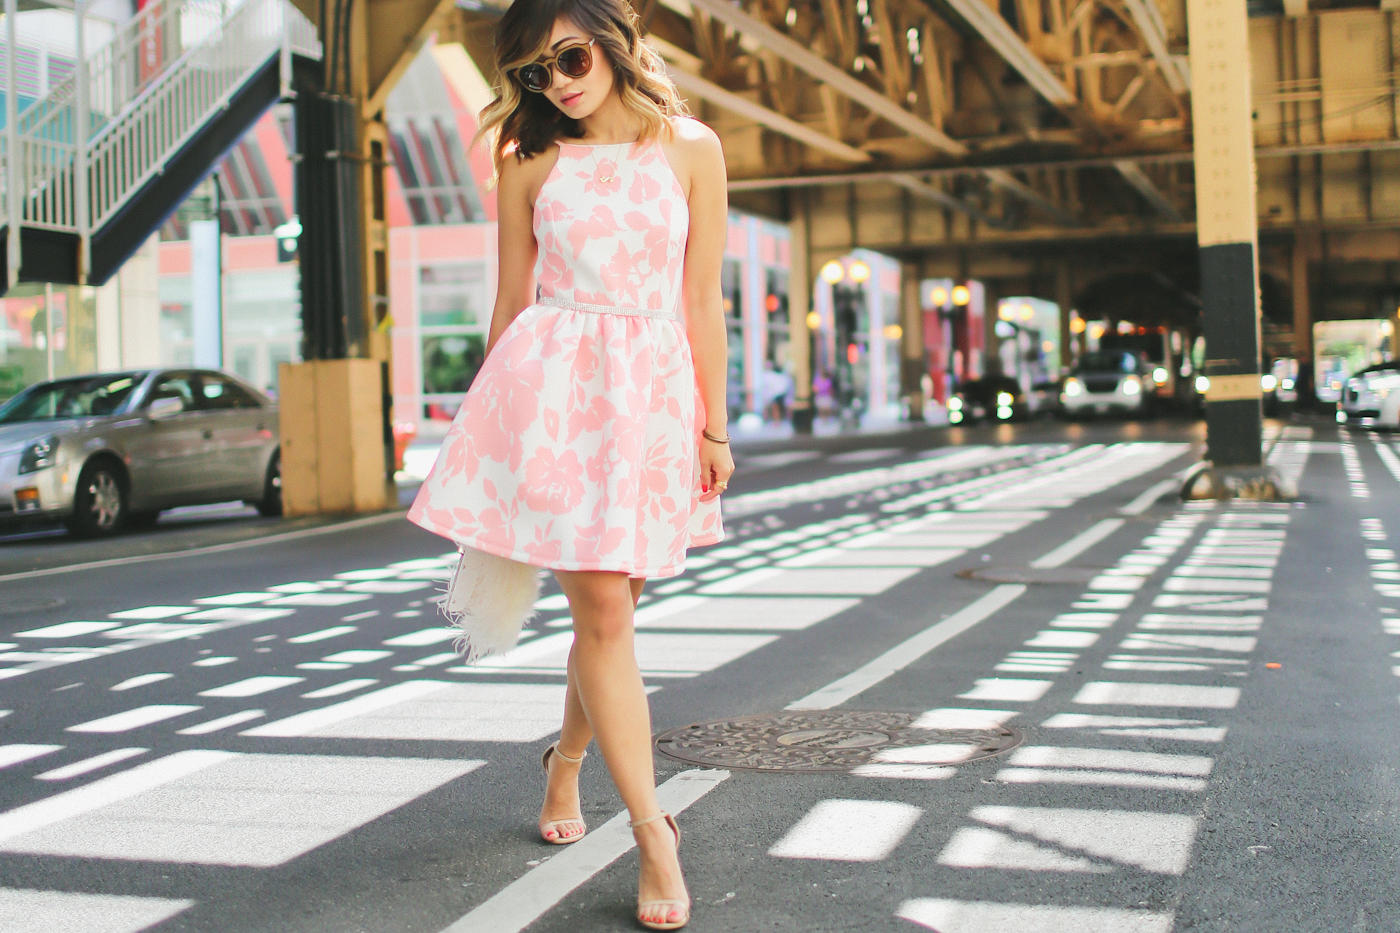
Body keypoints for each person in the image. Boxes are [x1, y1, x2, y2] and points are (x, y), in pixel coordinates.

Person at [405, 0, 733, 928]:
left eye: (570, 56)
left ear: (617, 41)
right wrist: (483, 433)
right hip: (554, 397)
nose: (557, 81)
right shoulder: (528, 158)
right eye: (535, 73)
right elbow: (512, 300)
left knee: (614, 606)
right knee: (600, 607)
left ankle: (566, 764)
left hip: (651, 400)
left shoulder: (692, 149)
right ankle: (652, 830)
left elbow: (701, 299)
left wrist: (713, 426)